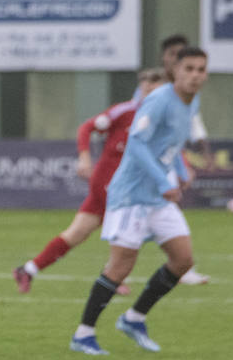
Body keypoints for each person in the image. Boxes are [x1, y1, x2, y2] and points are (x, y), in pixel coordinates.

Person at [69, 47, 210, 356]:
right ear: (175, 71)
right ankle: (83, 334)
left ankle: (134, 318)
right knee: (120, 267)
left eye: (201, 69)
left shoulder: (193, 102)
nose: (195, 75)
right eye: (189, 69)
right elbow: (136, 143)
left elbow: (170, 145)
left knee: (183, 260)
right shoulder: (158, 101)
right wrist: (164, 181)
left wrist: (180, 170)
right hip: (132, 195)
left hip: (157, 198)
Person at [14, 68, 167, 294]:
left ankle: (28, 269)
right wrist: (84, 158)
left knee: (77, 233)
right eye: (147, 88)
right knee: (135, 226)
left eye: (156, 89)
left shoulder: (160, 118)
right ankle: (116, 275)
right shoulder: (123, 112)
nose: (150, 93)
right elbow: (87, 127)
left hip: (127, 185)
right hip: (109, 182)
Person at [154, 33, 212, 286]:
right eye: (173, 55)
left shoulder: (191, 92)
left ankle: (183, 266)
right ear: (167, 59)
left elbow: (189, 126)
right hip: (141, 165)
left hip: (165, 162)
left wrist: (189, 161)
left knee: (167, 211)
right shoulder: (152, 86)